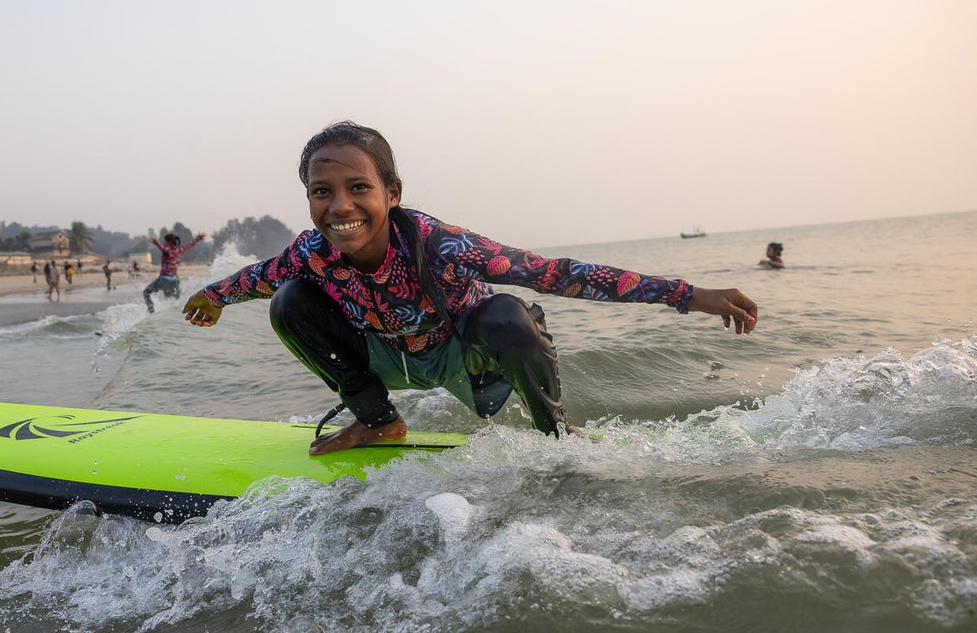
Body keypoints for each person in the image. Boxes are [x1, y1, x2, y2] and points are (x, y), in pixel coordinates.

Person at [183, 121, 759, 456]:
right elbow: (252, 280)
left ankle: (556, 435)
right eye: (321, 191)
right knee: (288, 304)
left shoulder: (444, 246)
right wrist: (212, 297)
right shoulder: (309, 255)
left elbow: (561, 274)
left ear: (393, 193)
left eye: (358, 186)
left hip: (468, 360)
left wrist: (687, 294)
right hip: (387, 359)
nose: (340, 207)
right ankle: (379, 421)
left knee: (508, 315)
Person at [144, 231, 205, 313]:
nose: (164, 243)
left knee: (146, 292)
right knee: (174, 301)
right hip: (175, 281)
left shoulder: (167, 250)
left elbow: (162, 248)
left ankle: (151, 311)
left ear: (169, 242)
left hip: (164, 280)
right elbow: (189, 245)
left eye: (165, 241)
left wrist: (156, 243)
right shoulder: (179, 250)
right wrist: (198, 238)